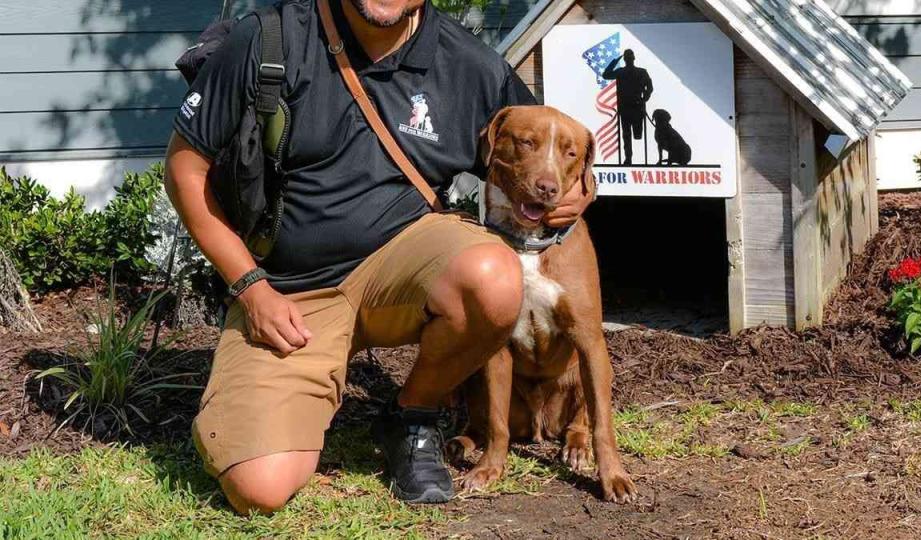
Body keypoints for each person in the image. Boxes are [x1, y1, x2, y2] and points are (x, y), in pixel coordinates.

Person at [164, 0, 593, 515]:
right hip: (290, 291)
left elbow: (550, 149)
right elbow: (184, 173)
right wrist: (251, 286)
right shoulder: (268, 39)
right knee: (260, 487)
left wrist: (580, 191)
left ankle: (412, 414)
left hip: (404, 274)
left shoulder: (470, 65)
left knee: (492, 275)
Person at [602, 49, 653, 165]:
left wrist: (645, 96)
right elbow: (606, 75)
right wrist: (616, 61)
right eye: (628, 57)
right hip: (626, 108)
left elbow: (649, 87)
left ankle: (630, 158)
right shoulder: (621, 72)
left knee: (637, 135)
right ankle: (628, 158)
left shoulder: (641, 72)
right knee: (626, 135)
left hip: (636, 107)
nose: (629, 59)